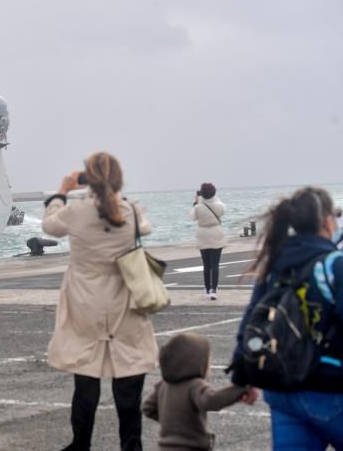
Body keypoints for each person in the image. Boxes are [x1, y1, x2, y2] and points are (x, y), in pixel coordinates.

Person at [43, 152, 158, 451]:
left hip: (85, 301)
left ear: (87, 179)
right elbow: (144, 228)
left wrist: (62, 191)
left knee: (86, 377)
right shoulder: (130, 210)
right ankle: (131, 445)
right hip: (124, 299)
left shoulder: (76, 212)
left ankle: (80, 444)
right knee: (129, 378)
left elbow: (49, 226)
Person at [228, 187, 343, 449]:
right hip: (330, 388)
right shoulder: (333, 265)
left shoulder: (275, 264)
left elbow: (252, 319)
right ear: (326, 221)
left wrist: (241, 375)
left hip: (282, 392)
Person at [142, 333, 252, 450]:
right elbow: (210, 400)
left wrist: (172, 424)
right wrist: (239, 390)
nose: (209, 367)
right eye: (207, 361)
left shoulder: (163, 385)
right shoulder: (194, 385)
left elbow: (147, 408)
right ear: (194, 363)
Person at [190, 183, 227, 300]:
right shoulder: (219, 205)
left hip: (203, 235)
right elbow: (223, 210)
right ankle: (214, 290)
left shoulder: (198, 207)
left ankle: (206, 289)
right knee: (215, 264)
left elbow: (192, 217)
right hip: (216, 234)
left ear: (202, 194)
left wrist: (196, 201)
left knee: (206, 264)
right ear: (214, 193)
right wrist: (214, 197)